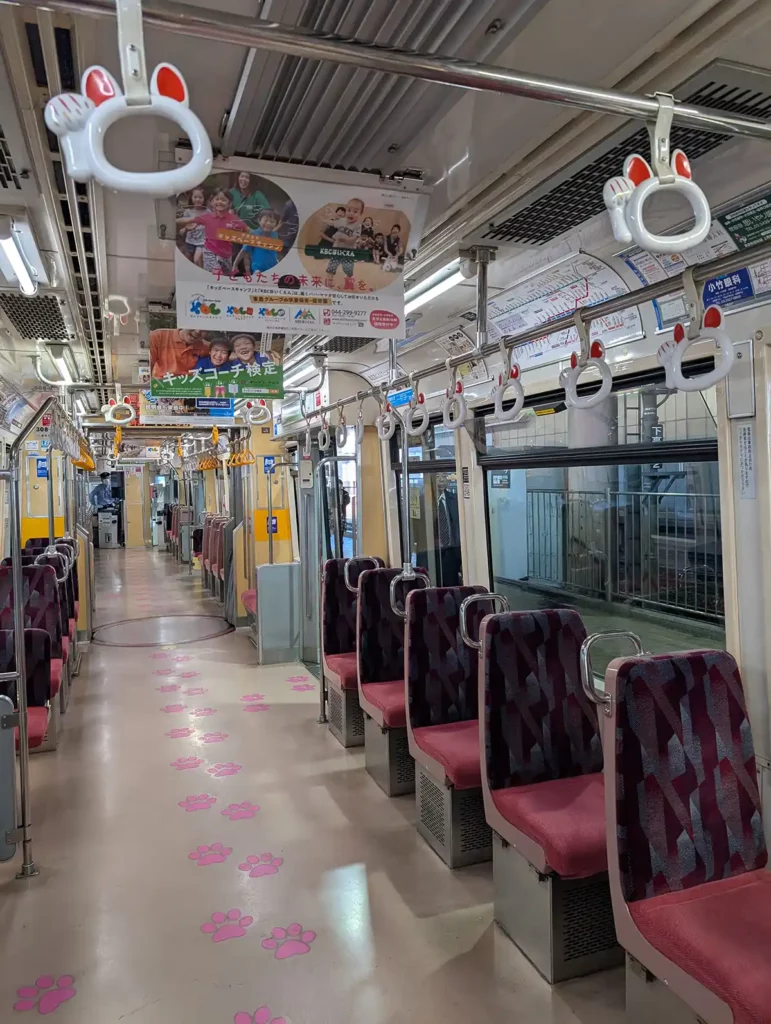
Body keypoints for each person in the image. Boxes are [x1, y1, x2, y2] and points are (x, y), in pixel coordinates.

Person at [184, 189, 249, 275]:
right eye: (217, 199)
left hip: (226, 254)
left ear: (229, 203)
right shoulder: (207, 217)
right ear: (212, 202)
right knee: (216, 274)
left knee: (225, 277)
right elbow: (188, 220)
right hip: (210, 252)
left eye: (223, 200)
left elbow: (246, 229)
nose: (220, 202)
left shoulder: (233, 219)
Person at [325, 197, 365, 290]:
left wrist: (346, 240)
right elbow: (333, 223)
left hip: (349, 250)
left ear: (360, 213)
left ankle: (349, 281)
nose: (351, 213)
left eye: (355, 211)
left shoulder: (358, 225)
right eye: (349, 210)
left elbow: (354, 238)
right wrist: (324, 220)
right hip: (337, 248)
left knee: (348, 268)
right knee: (332, 264)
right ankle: (329, 281)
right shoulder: (342, 221)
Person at [232, 209, 283, 276]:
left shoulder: (274, 235)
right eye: (265, 220)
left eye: (272, 221)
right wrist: (235, 264)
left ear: (276, 224)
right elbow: (243, 251)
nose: (268, 223)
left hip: (273, 267)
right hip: (258, 269)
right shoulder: (254, 235)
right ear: (259, 221)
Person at [176, 186, 206, 267]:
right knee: (189, 261)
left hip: (201, 242)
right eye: (195, 197)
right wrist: (184, 229)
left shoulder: (207, 211)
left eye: (200, 197)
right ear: (191, 198)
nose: (198, 199)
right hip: (189, 241)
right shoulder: (188, 212)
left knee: (197, 260)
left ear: (204, 198)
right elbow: (184, 226)